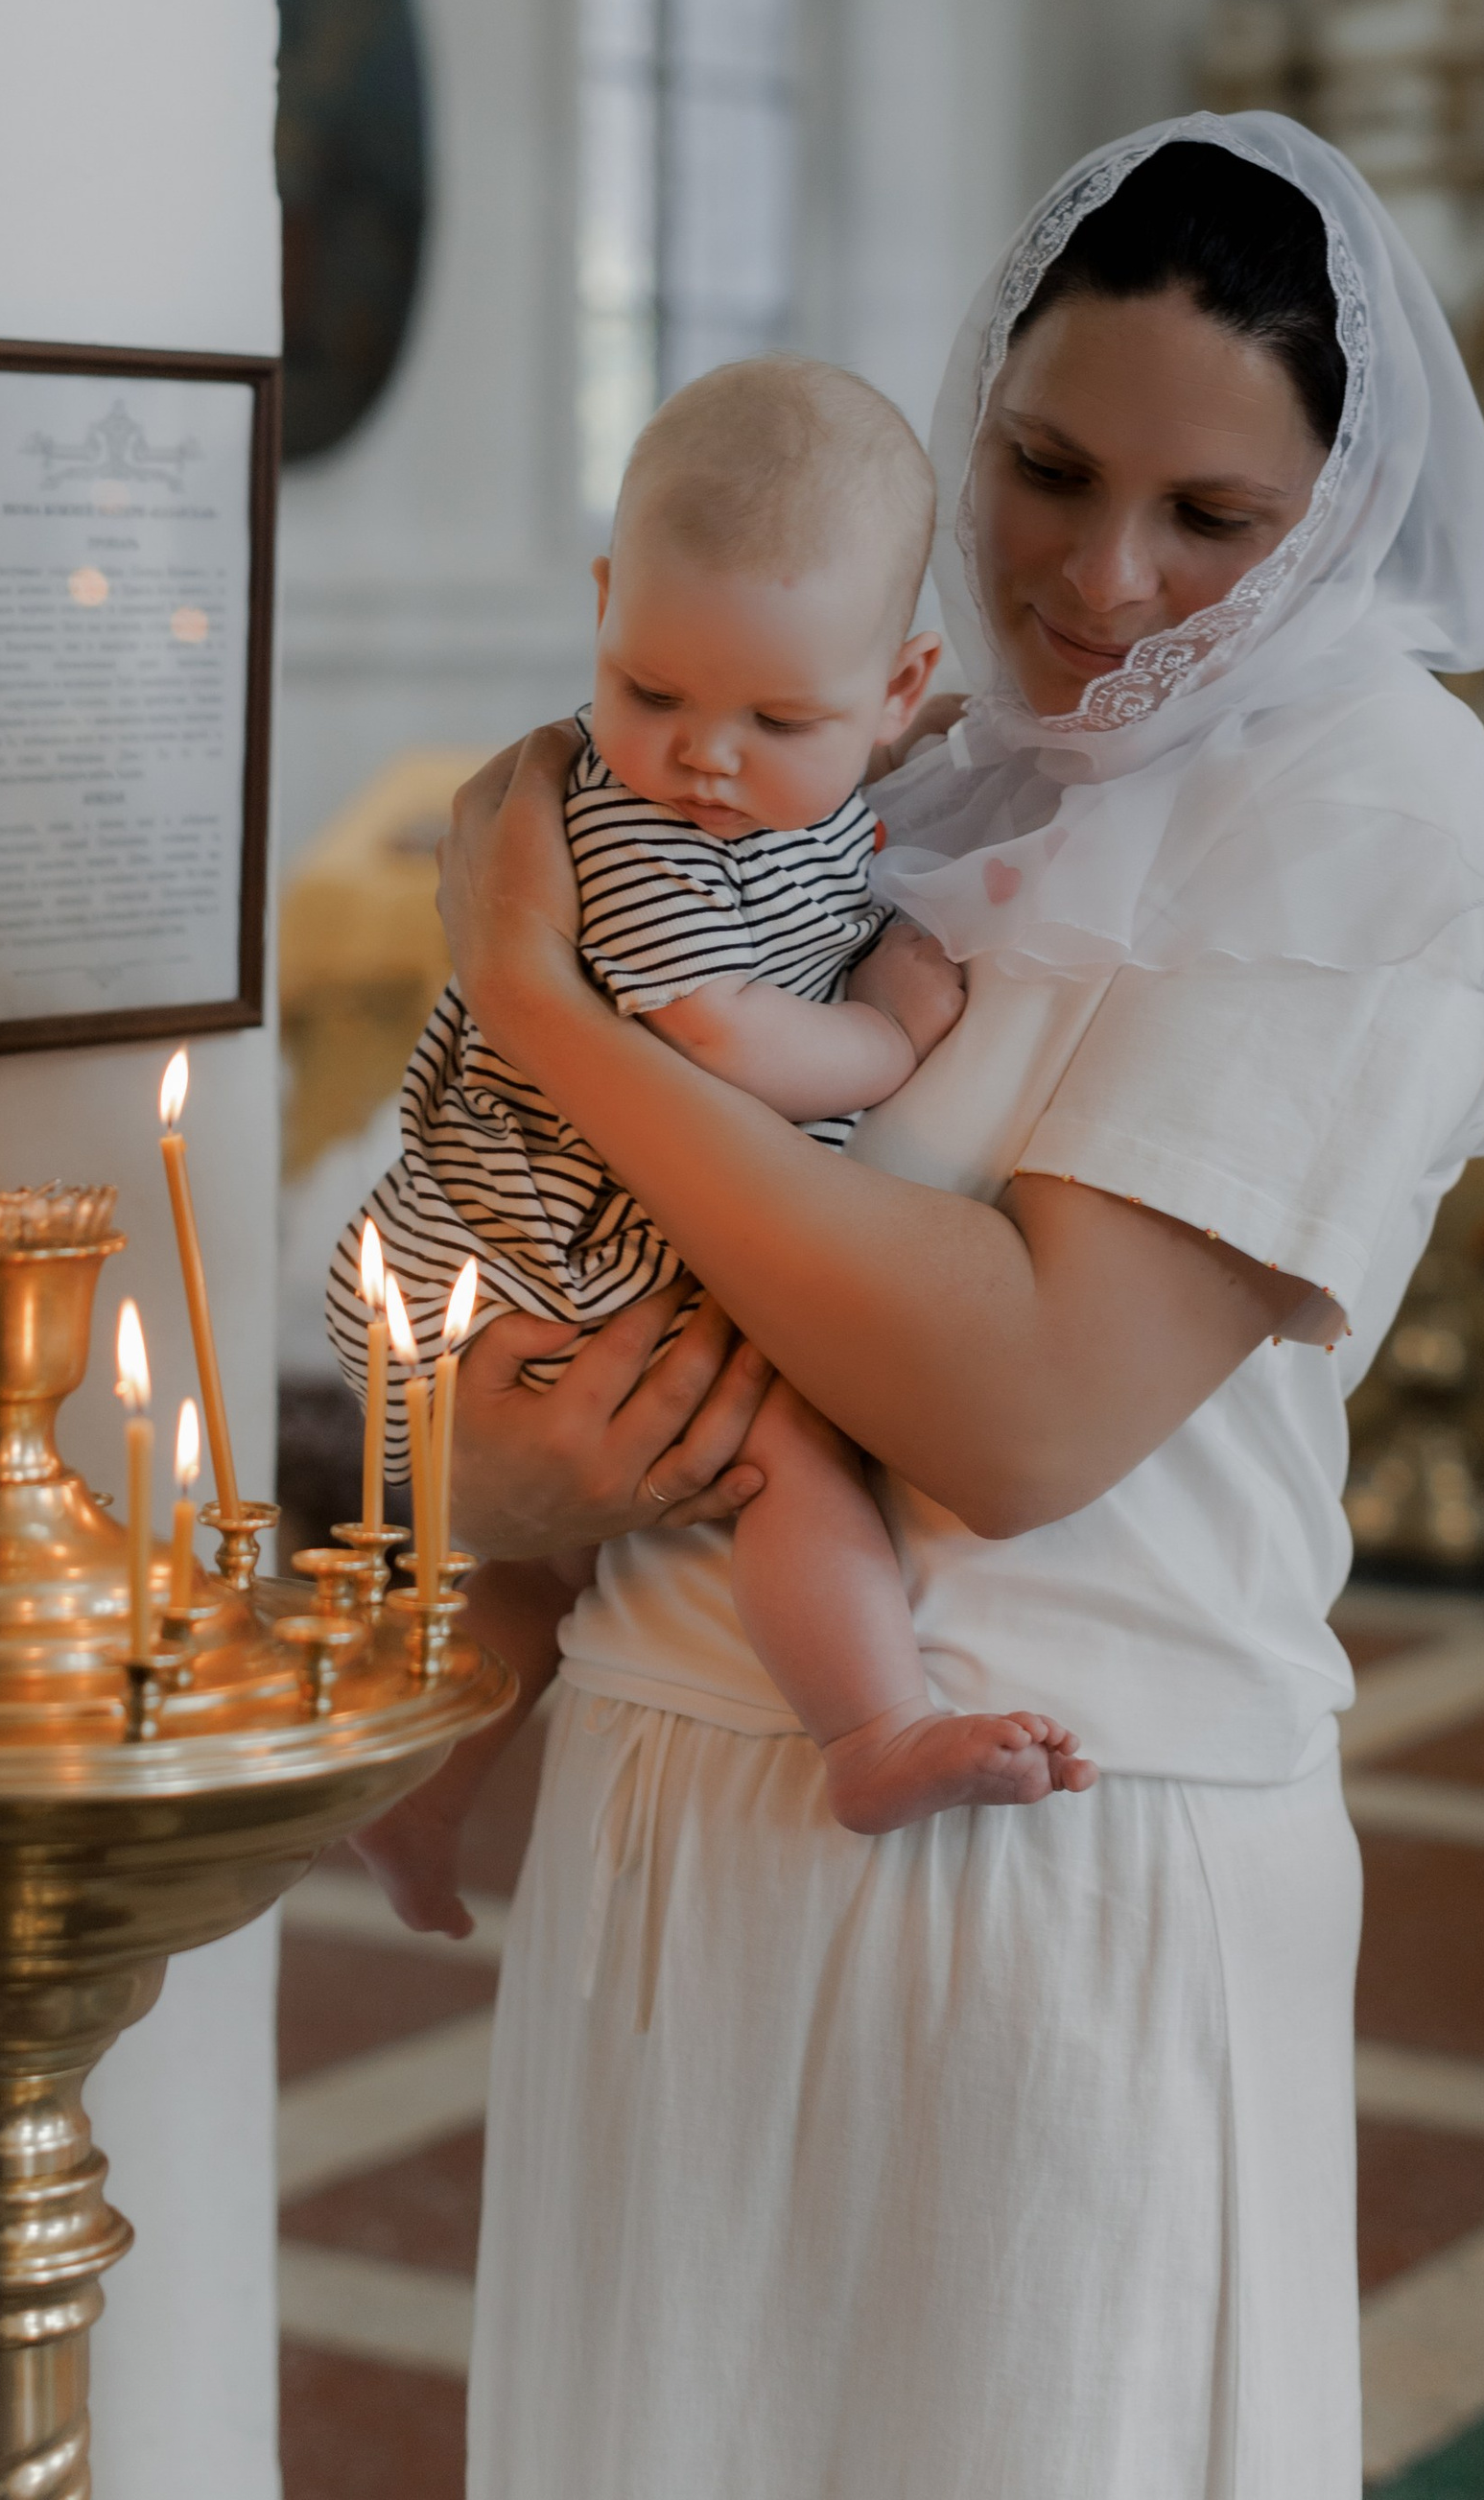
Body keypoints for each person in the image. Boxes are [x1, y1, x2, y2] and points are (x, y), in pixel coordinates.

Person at [432, 116, 1484, 2500]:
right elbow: (578, 1263)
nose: (1101, 575)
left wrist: (543, 1013)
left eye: (1208, 519)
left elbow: (1029, 1403)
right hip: (663, 1819)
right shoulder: (902, 758)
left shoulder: (1368, 799)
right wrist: (497, 1480)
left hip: (1048, 1864)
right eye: (1043, 470)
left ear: (1330, 514)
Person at [334, 359, 1091, 1933]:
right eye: (654, 691)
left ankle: (421, 1796)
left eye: (779, 715)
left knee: (545, 1564)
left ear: (895, 693)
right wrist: (891, 1025)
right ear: (607, 607)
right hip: (541, 1233)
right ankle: (873, 1731)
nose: (705, 758)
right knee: (784, 1453)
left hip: (550, 1230)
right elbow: (713, 1041)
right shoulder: (625, 826)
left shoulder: (797, 783)